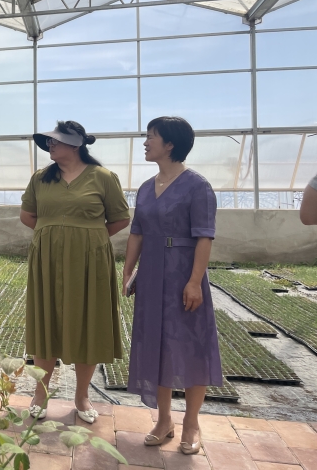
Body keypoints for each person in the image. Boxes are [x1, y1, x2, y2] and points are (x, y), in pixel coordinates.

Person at [123, 116, 221, 456]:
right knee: (156, 344)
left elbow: (204, 237)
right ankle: (164, 420)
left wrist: (194, 282)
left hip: (183, 273)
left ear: (170, 144)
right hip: (151, 274)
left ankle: (191, 423)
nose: (145, 142)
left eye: (151, 136)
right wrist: (128, 270)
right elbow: (137, 232)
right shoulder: (145, 188)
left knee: (192, 346)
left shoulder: (197, 186)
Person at [20, 120, 130, 423]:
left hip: (90, 261)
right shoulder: (40, 178)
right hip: (47, 259)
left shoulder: (103, 178)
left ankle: (82, 396)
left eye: (56, 141)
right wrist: (52, 235)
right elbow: (27, 215)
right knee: (47, 321)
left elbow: (121, 219)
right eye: (49, 141)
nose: (50, 145)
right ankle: (40, 393)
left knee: (88, 322)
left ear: (76, 144)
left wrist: (88, 238)